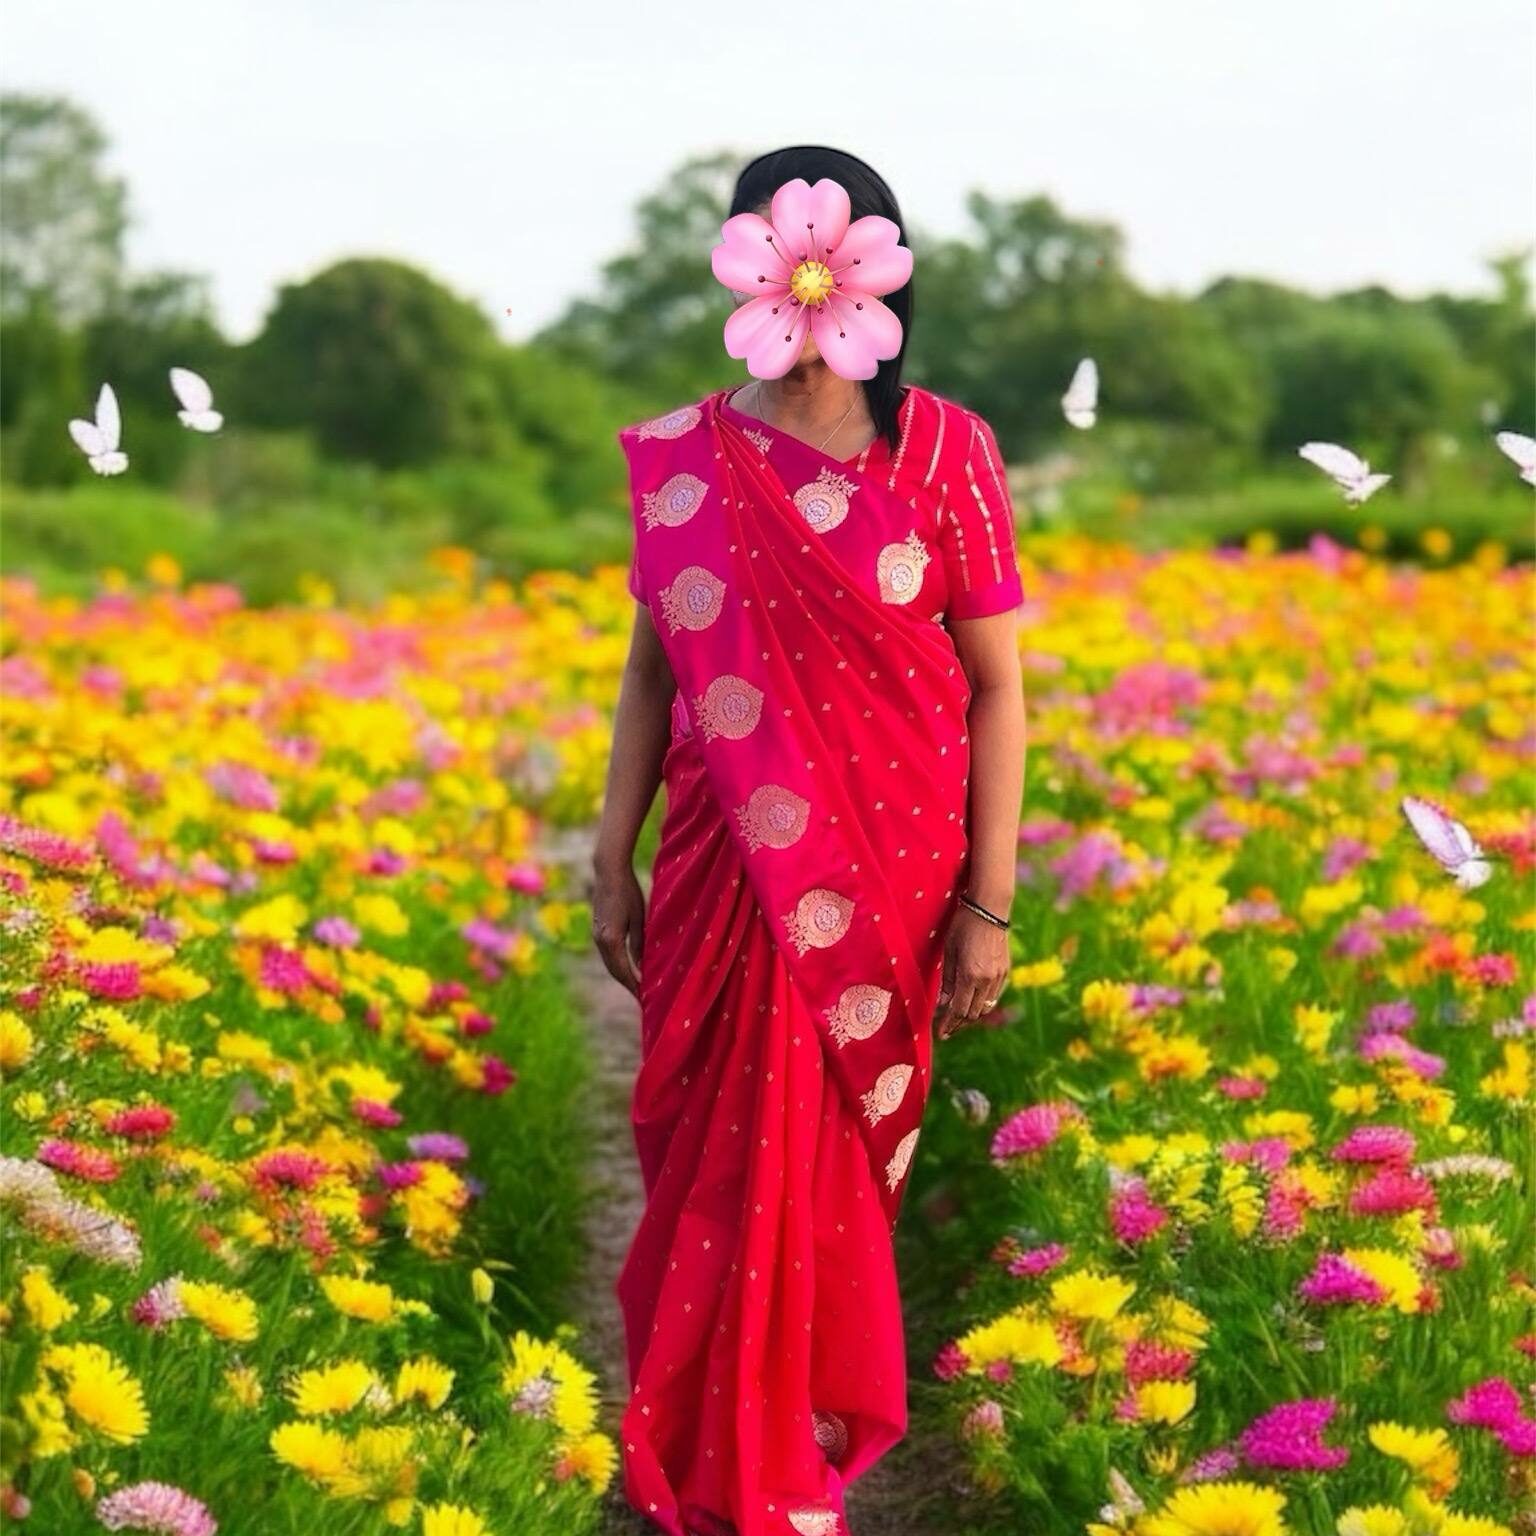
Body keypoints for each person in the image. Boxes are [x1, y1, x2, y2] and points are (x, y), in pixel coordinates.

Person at [590, 144, 1027, 1536]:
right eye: (772, 251)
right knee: (712, 1150)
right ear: (741, 267)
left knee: (818, 1150)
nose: (802, 281)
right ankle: (714, 1452)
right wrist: (615, 852)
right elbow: (655, 669)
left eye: (828, 256)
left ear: (875, 273)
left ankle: (780, 1456)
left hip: (884, 873)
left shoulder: (944, 451)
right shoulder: (678, 456)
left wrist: (990, 900)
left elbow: (998, 682)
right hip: (727, 864)